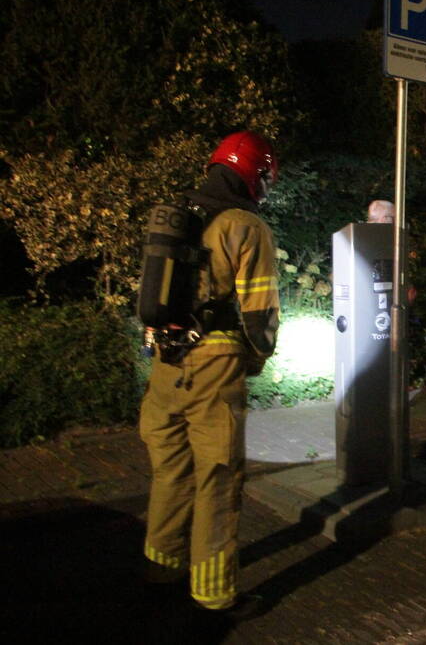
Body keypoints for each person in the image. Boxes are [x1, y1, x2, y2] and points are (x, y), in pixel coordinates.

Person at [139, 131, 280, 619]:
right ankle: (215, 594)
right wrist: (257, 359)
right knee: (218, 479)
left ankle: (161, 568)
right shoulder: (245, 226)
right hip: (214, 365)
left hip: (164, 362)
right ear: (256, 176)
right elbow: (259, 312)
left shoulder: (180, 214)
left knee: (171, 471)